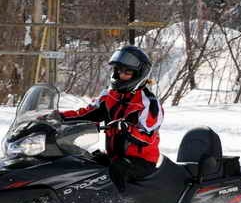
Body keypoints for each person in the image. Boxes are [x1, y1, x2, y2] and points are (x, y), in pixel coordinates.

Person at [59, 45, 164, 192]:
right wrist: (58, 117)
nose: (120, 75)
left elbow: (149, 137)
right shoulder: (109, 95)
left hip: (141, 161)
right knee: (85, 163)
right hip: (115, 156)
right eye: (118, 70)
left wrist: (128, 129)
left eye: (126, 71)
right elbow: (86, 114)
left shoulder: (148, 102)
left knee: (116, 170)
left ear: (138, 74)